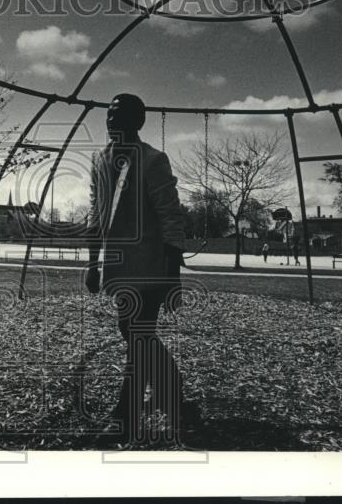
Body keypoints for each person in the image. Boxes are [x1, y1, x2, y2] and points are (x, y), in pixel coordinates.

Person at [84, 93, 194, 447]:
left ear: (137, 122)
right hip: (119, 271)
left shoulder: (153, 160)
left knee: (139, 339)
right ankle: (172, 392)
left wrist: (172, 277)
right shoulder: (99, 161)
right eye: (109, 113)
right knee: (133, 335)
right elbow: (94, 215)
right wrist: (91, 262)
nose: (111, 121)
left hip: (151, 268)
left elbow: (170, 216)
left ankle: (124, 419)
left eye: (120, 115)